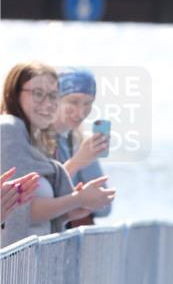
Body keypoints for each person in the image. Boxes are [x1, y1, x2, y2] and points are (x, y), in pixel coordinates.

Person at [0, 62, 115, 248]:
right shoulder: (10, 128)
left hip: (34, 262)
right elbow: (21, 211)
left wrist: (72, 209)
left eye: (53, 95)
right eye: (38, 94)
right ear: (15, 92)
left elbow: (104, 208)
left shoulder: (64, 140)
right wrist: (77, 197)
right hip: (16, 267)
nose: (81, 111)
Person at [53, 68, 112, 227]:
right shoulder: (34, 138)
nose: (81, 113)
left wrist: (87, 158)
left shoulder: (75, 142)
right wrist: (78, 161)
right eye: (73, 101)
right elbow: (38, 201)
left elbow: (105, 208)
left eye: (88, 103)